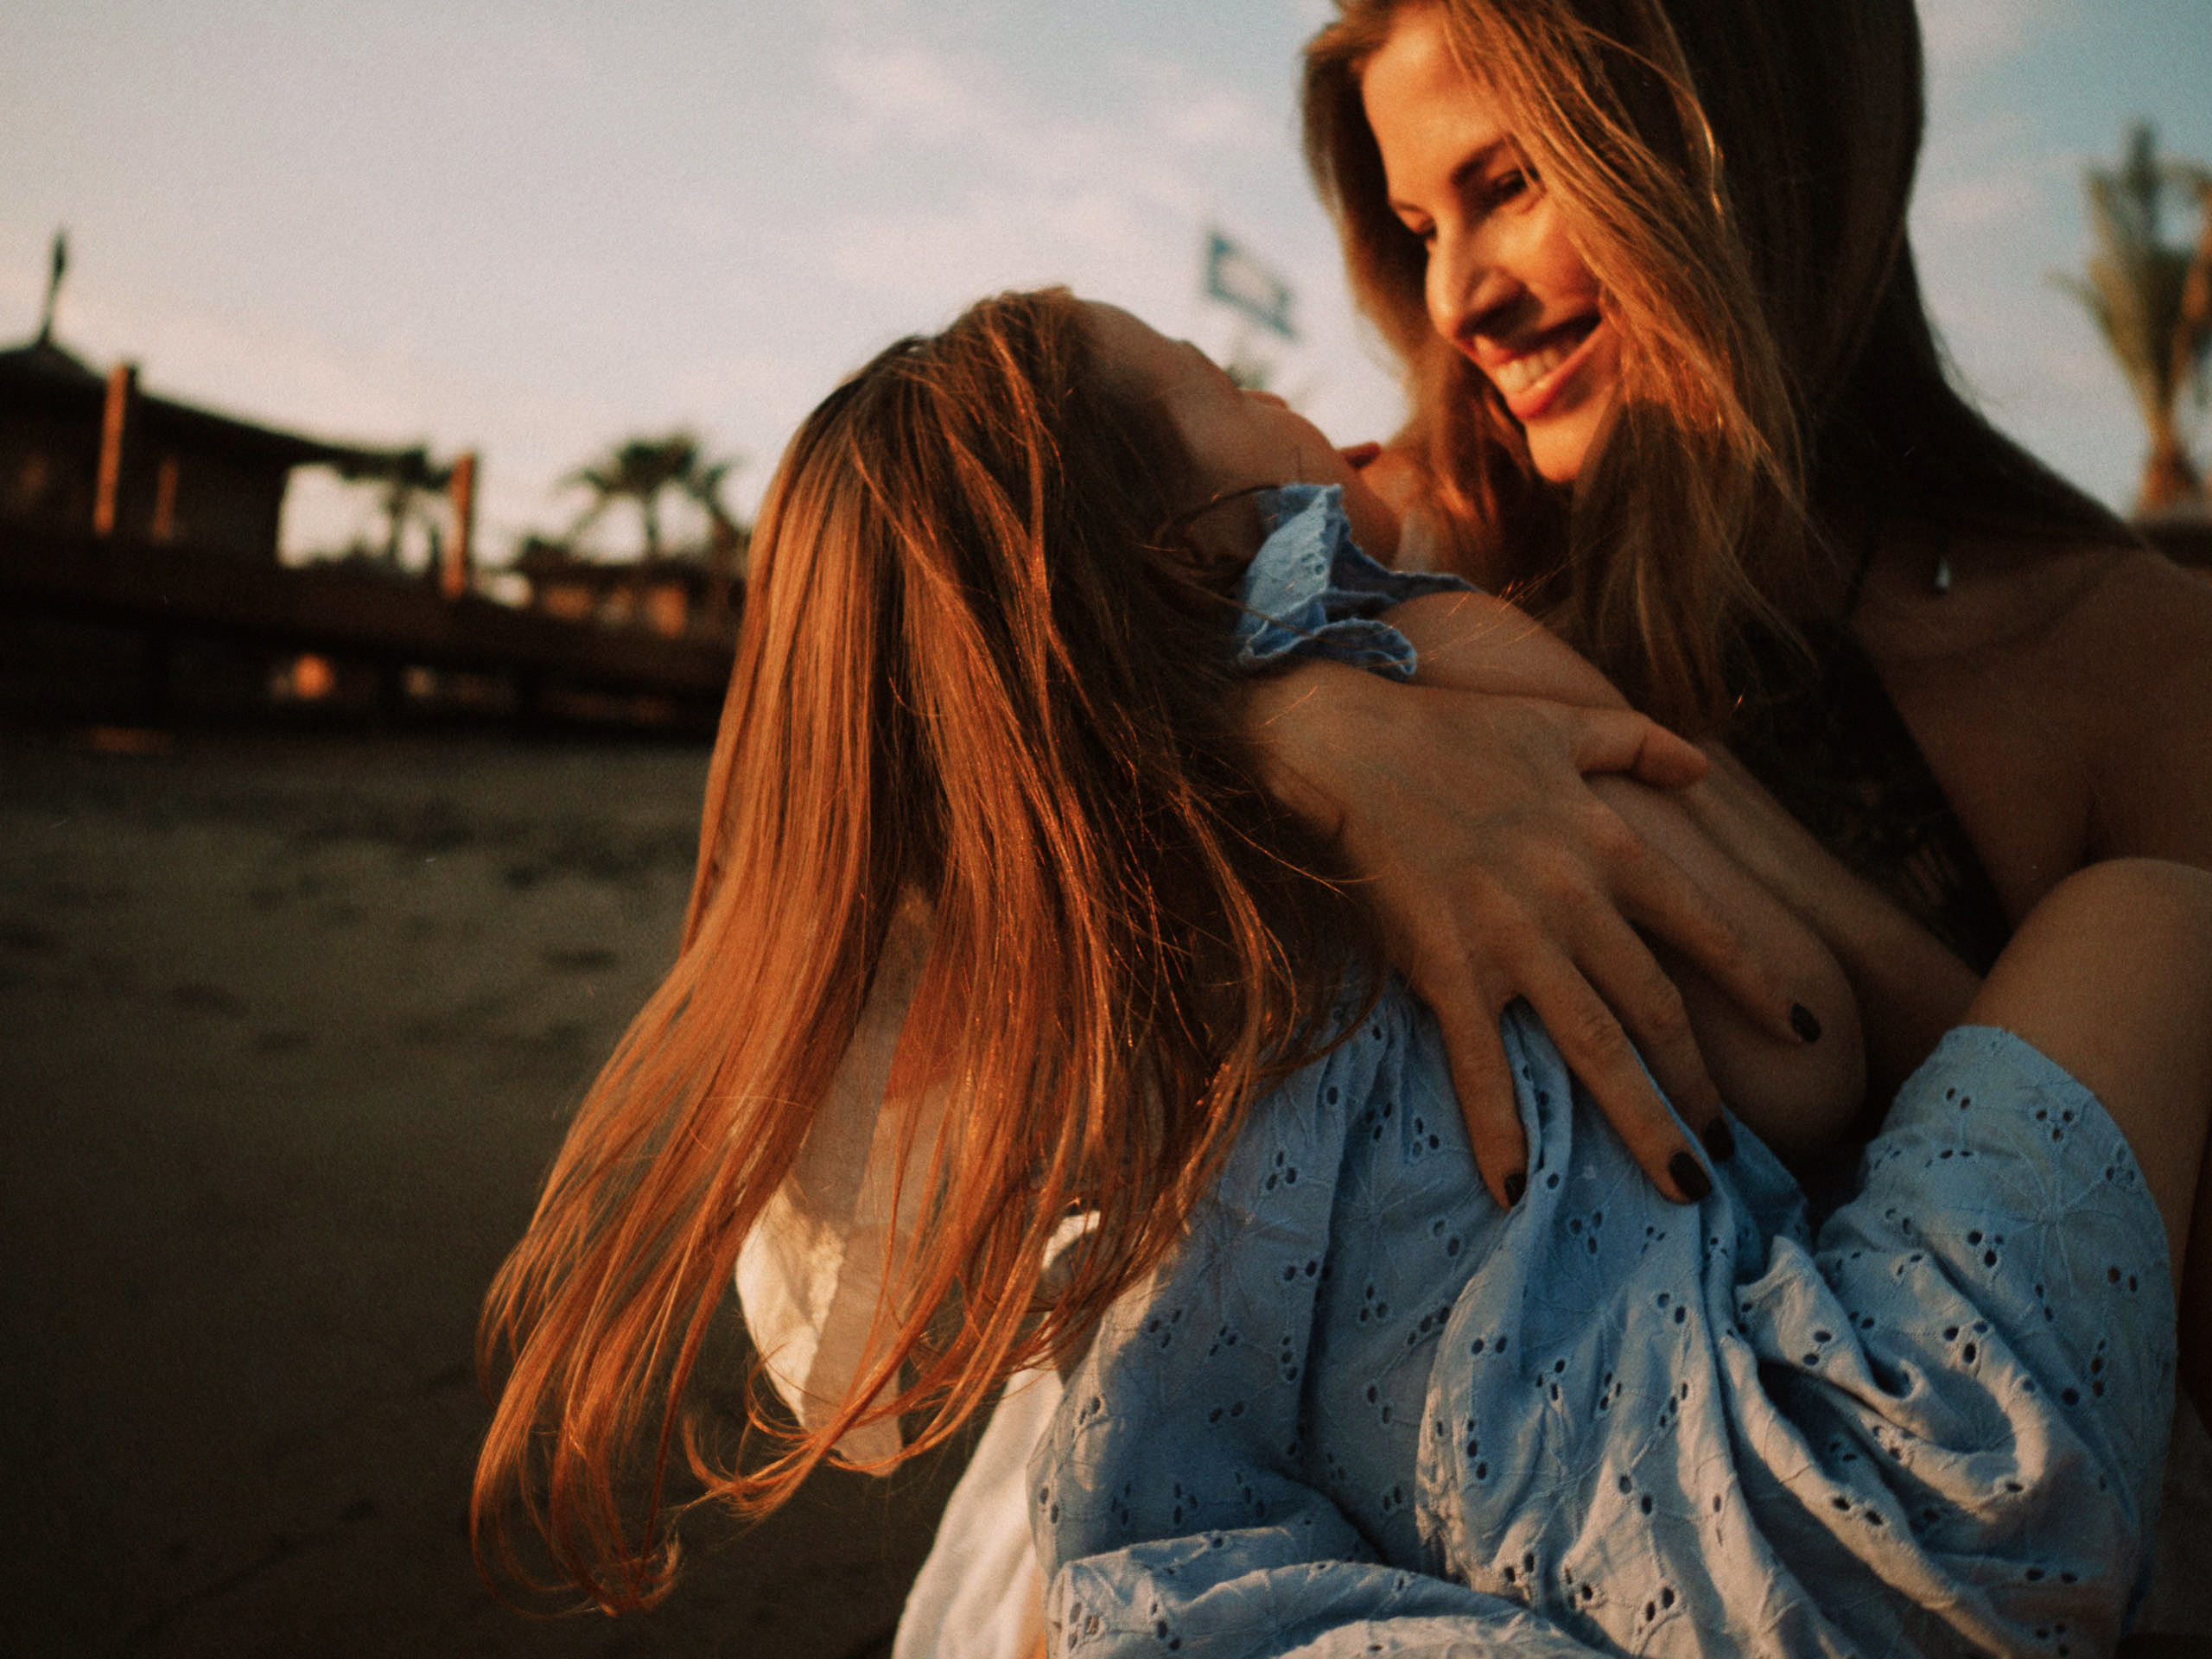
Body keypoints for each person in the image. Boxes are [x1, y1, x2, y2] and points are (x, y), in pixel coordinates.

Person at [471, 287, 2207, 1656]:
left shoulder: (1117, 943)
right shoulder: (1430, 678)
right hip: (1881, 1509)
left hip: (1604, 1568)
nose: (1298, 381)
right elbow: (1801, 1046)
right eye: (1222, 368)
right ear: (1213, 537)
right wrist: (1476, 650)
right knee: (2148, 914)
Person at [1274, 0, 2212, 1242]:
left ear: (1747, 131)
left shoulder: (2141, 663)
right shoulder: (1423, 547)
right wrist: (1313, 729)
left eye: (1508, 184)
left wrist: (1712, 821)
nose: (1454, 298)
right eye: (1418, 230)